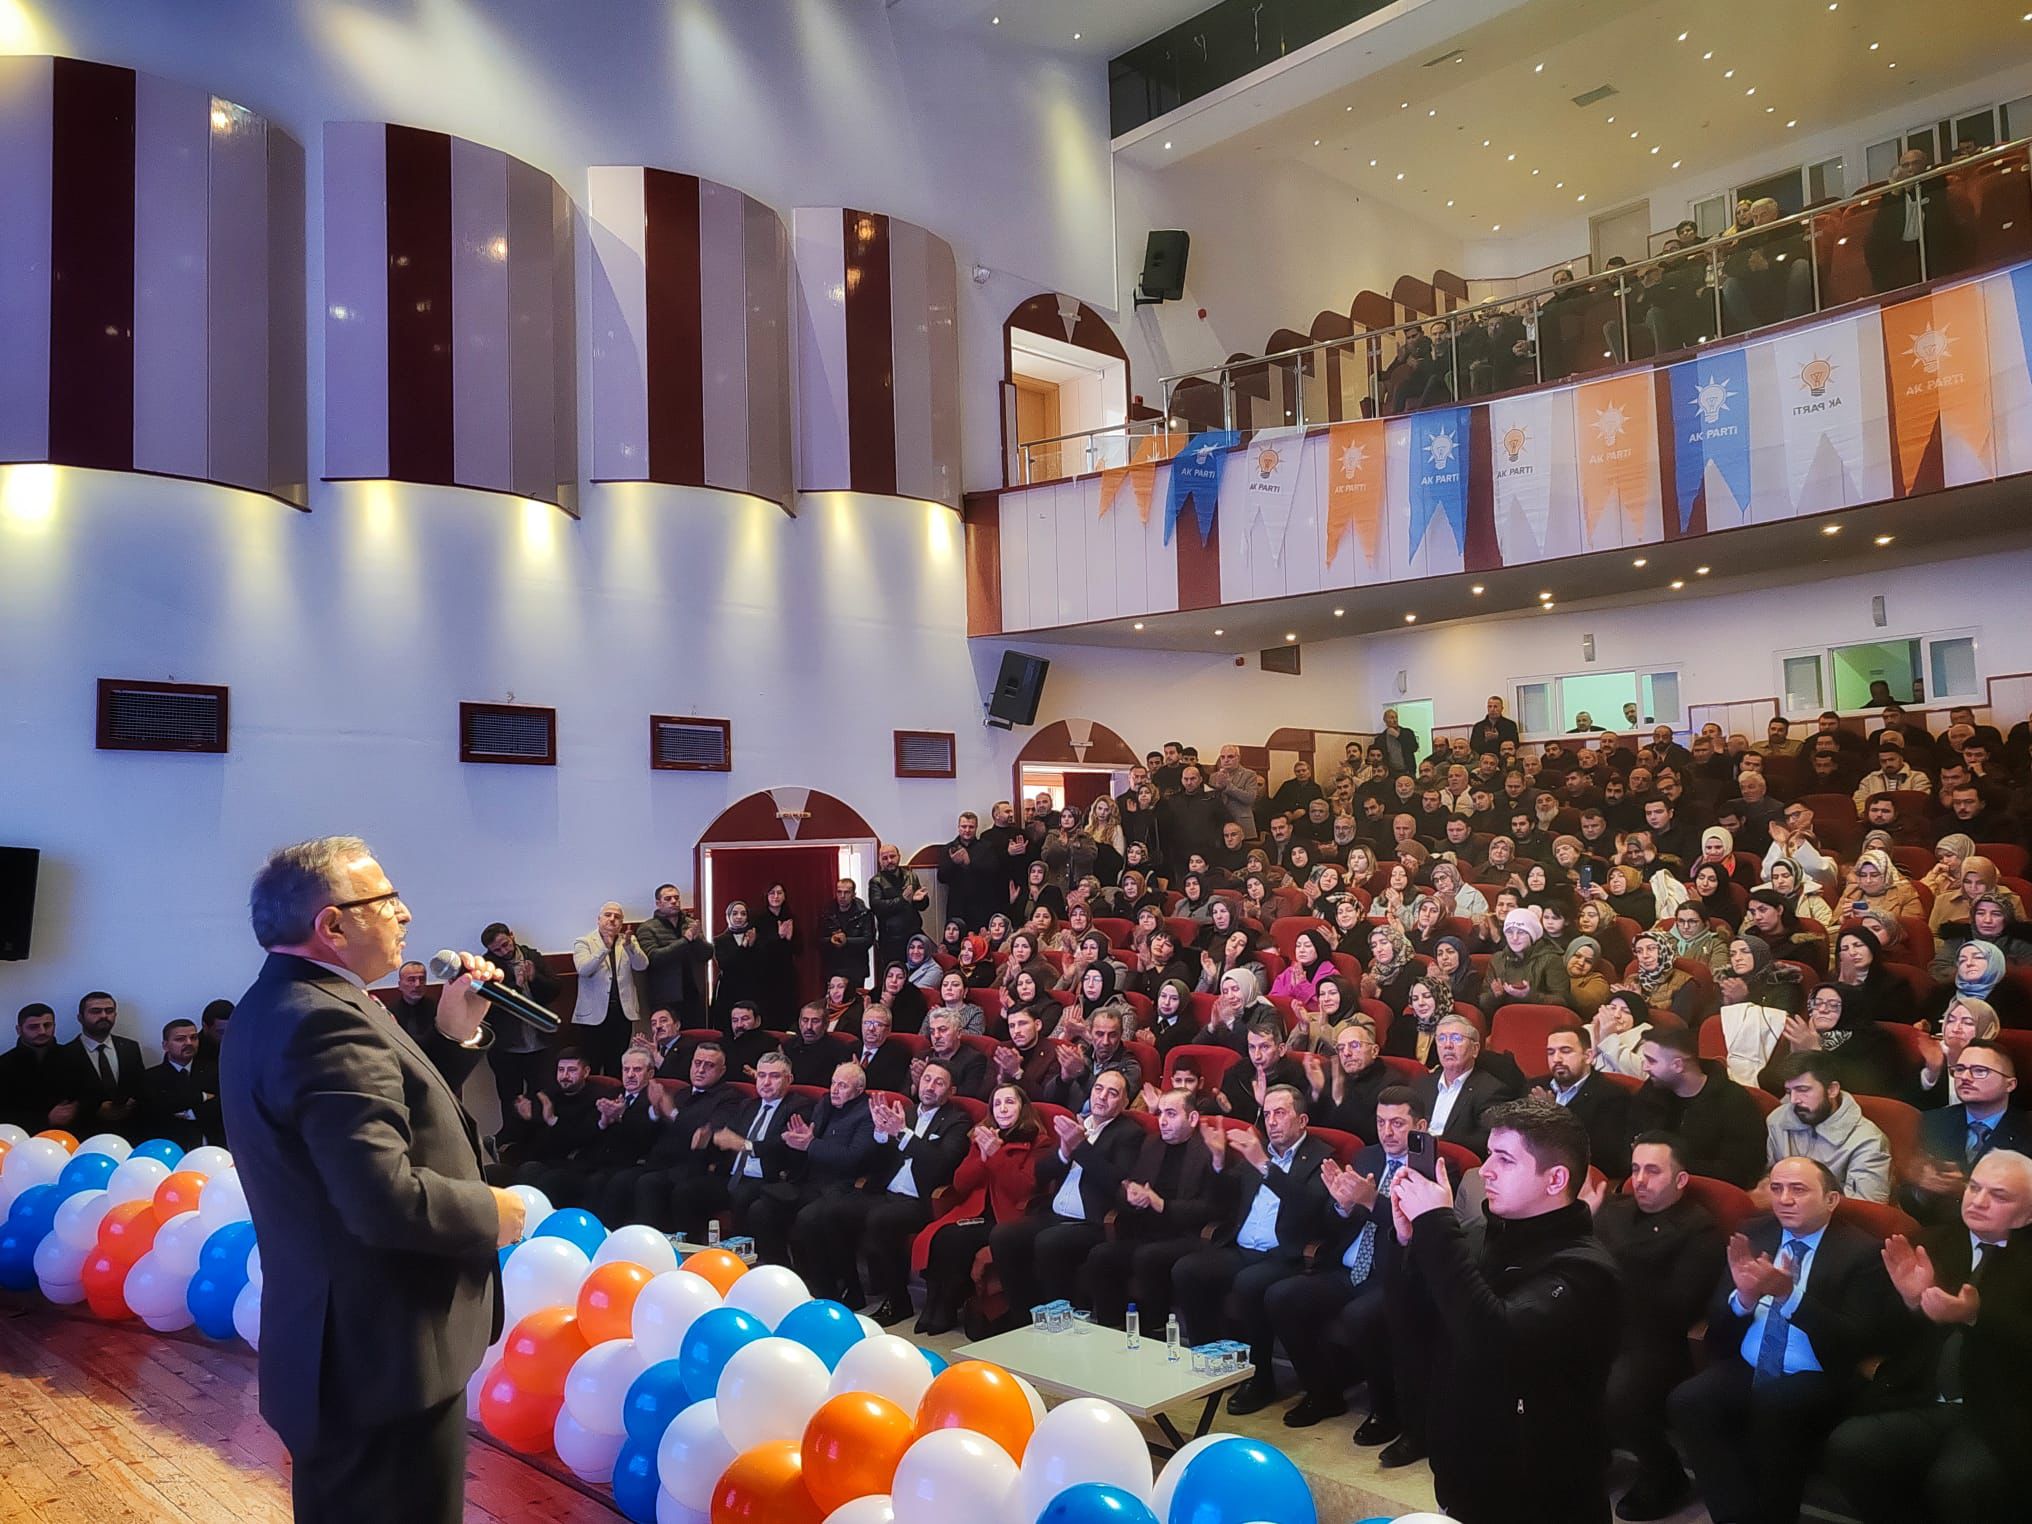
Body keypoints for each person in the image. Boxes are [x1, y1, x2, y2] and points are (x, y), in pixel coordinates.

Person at [218, 836, 525, 1524]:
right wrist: (490, 1212)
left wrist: (452, 1035)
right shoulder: (325, 1020)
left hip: (350, 1350)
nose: (405, 913)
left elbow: (382, 1119)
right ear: (332, 925)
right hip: (382, 1358)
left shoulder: (282, 1003)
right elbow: (381, 1196)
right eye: (386, 900)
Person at [1390, 1098, 1623, 1524]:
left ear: (1555, 1179)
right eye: (1488, 1155)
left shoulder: (1586, 1269)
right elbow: (1413, 1321)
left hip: (1541, 1493)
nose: (1486, 1171)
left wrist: (1436, 1229)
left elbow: (1495, 1341)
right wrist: (1411, 1244)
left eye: (1505, 1159)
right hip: (1462, 1470)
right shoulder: (1476, 1234)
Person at [1669, 1157, 1899, 1524]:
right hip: (1750, 1361)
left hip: (1818, 1371)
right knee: (1689, 1400)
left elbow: (1855, 1340)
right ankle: (1735, 1516)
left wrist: (1790, 1297)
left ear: (1831, 1200)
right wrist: (1744, 1298)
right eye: (1776, 1189)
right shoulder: (1753, 1233)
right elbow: (1718, 1320)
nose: (1784, 1199)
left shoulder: (1862, 1253)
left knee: (1775, 1404)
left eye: (1798, 1190)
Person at [1825, 1149, 2032, 1523]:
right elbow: (1880, 1336)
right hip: (1924, 1396)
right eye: (1975, 1188)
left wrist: (1975, 1318)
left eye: (1999, 1196)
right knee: (1850, 1444)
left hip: (2000, 1409)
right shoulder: (1932, 1242)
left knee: (1958, 1481)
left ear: (2028, 1214)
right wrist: (1910, 1302)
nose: (1979, 1201)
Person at [1265, 1086, 1428, 1433]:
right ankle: (1323, 1393)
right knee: (1281, 1297)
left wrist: (1370, 1201)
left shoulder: (1434, 1168)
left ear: (1421, 1126)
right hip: (1347, 1267)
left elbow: (1420, 1232)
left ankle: (1386, 1411)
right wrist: (1341, 1206)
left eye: (1398, 1123)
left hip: (1394, 1275)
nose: (1387, 1132)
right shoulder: (1367, 1157)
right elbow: (1332, 1222)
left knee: (1360, 1316)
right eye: (1381, 1122)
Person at [1176, 1084, 1333, 1415]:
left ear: (1302, 1120)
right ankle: (1213, 1364)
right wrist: (1218, 1160)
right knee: (1188, 1270)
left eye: (1280, 1113)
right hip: (1241, 1247)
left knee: (1249, 1284)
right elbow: (1224, 1200)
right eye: (1267, 1114)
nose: (1271, 1122)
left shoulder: (1321, 1157)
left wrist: (1265, 1167)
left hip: (1286, 1254)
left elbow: (1311, 1208)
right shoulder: (1257, 1151)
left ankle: (1260, 1380)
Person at [1592, 1134, 1724, 1521]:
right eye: (1635, 1169)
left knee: (1617, 1392)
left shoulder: (1699, 1229)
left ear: (1680, 1180)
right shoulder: (1612, 1210)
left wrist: (1613, 1266)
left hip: (1655, 1338)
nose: (1639, 1181)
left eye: (1653, 1171)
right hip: (1601, 1324)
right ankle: (1586, 1457)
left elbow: (1678, 1304)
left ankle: (1664, 1473)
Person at [795, 1059, 971, 1323]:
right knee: (831, 1212)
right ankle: (852, 1289)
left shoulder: (958, 1121)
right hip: (884, 1191)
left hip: (919, 1199)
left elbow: (942, 1164)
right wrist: (880, 1133)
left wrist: (902, 1133)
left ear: (952, 1091)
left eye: (939, 1083)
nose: (930, 1087)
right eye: (927, 1079)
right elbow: (880, 1160)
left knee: (880, 1220)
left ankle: (898, 1301)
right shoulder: (906, 1112)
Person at [993, 1068, 1145, 1321]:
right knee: (1004, 1235)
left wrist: (1080, 1147)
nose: (1102, 1096)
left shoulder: (1129, 1133)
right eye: (1098, 1089)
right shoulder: (1078, 1124)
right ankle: (1024, 1315)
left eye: (1112, 1093)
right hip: (1055, 1214)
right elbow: (1041, 1173)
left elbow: (1117, 1181)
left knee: (1049, 1242)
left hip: (1093, 1221)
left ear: (1124, 1102)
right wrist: (1064, 1152)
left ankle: (1061, 1318)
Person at [909, 1082, 1043, 1335]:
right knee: (939, 1236)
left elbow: (1022, 1189)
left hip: (1007, 1217)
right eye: (997, 1104)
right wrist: (982, 1157)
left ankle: (947, 1304)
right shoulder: (981, 1135)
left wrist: (996, 1155)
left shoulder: (1037, 1140)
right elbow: (960, 1184)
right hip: (975, 1212)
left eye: (1010, 1102)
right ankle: (934, 1303)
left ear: (1023, 1107)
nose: (1003, 1109)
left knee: (954, 1239)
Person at [1080, 1088, 1220, 1328]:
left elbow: (1211, 1208)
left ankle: (1153, 1328)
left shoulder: (1208, 1150)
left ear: (1192, 1118)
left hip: (1187, 1236)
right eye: (1160, 1113)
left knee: (1148, 1256)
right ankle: (1110, 1327)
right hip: (1145, 1231)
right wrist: (1130, 1196)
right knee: (1101, 1255)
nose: (1162, 1121)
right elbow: (1128, 1186)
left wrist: (1163, 1205)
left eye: (1171, 1114)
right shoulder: (1152, 1143)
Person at [751, 1062, 878, 1274]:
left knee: (807, 1220)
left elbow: (852, 1157)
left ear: (859, 1090)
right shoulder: (824, 1104)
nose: (835, 1090)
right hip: (807, 1181)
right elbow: (807, 1144)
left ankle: (819, 1282)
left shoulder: (867, 1114)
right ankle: (782, 1272)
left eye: (843, 1086)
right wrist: (798, 1142)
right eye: (833, 1083)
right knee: (760, 1210)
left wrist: (810, 1144)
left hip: (841, 1187)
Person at [676, 1051, 808, 1245]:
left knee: (742, 1196)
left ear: (789, 1079)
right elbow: (727, 1139)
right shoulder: (748, 1105)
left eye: (774, 1076)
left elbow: (783, 1143)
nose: (766, 1082)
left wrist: (747, 1146)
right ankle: (690, 1248)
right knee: (686, 1190)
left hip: (767, 1179)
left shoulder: (799, 1107)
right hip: (732, 1175)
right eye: (761, 1075)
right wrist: (706, 1143)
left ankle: (740, 1255)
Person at [1901, 1037, 2032, 1222]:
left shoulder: (2026, 1129)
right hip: (1938, 1229)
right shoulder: (1931, 1122)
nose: (1965, 1077)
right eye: (1960, 1069)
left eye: (1979, 1071)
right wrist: (1921, 1188)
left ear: (2009, 1084)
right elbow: (1908, 1201)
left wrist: (1965, 1189)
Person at [1626, 1025, 1768, 1188]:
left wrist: (1673, 1165)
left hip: (1708, 1192)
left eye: (1652, 1061)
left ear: (1678, 1065)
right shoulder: (1652, 1091)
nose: (1645, 1067)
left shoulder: (1734, 1102)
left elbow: (1740, 1171)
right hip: (1649, 1186)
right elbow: (1630, 1144)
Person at [1765, 1052, 1894, 1202]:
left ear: (1832, 1090)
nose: (1793, 1100)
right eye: (1789, 1091)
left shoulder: (1869, 1141)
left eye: (1803, 1090)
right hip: (1782, 1209)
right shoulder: (1777, 1120)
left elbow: (1866, 1208)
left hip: (1835, 1215)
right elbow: (1769, 1176)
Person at [478, 921, 559, 1122]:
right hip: (507, 1048)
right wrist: (517, 985)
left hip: (540, 1042)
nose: (504, 951)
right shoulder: (487, 967)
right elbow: (490, 1009)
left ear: (512, 935)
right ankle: (513, 1137)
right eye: (497, 950)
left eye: (505, 944)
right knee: (510, 1099)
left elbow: (555, 990)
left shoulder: (532, 956)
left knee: (542, 1096)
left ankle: (540, 1135)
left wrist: (535, 978)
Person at [1530, 1024, 1632, 1178]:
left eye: (1566, 1051)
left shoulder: (1612, 1096)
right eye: (1551, 1052)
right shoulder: (1534, 1087)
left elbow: (1604, 1158)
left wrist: (1553, 1115)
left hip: (1579, 1179)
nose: (1556, 1059)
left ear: (1588, 1056)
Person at [1413, 1015, 1515, 1156]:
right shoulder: (1422, 1085)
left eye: (1456, 1038)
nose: (1447, 1045)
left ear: (1475, 1049)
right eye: (1441, 1038)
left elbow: (1487, 1140)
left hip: (1456, 1162)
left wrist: (1435, 1142)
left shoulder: (1491, 1091)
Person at [571, 902, 647, 1075]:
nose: (612, 919)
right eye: (608, 915)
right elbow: (583, 969)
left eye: (617, 917)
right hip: (592, 1017)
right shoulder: (584, 942)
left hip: (621, 1014)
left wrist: (630, 946)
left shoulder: (628, 941)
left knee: (616, 1066)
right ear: (598, 920)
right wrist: (604, 949)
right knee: (592, 1066)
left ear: (621, 923)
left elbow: (642, 965)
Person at [63, 990, 145, 1140]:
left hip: (129, 1134)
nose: (103, 1016)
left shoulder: (130, 1048)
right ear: (80, 1018)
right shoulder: (64, 1054)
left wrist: (132, 1102)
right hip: (85, 1135)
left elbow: (140, 1086)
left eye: (109, 1011)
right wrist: (94, 1108)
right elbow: (65, 1097)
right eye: (95, 1011)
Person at [635, 883, 712, 1028]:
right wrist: (685, 940)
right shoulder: (647, 928)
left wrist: (696, 940)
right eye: (668, 899)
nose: (674, 901)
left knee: (695, 1035)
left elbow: (707, 954)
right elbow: (653, 958)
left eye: (676, 898)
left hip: (692, 992)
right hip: (665, 997)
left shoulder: (690, 924)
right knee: (667, 1036)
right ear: (658, 903)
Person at [0, 1002, 82, 1135]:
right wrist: (45, 1119)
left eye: (47, 1025)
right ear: (19, 1030)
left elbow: (89, 1094)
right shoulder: (4, 1064)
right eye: (33, 1027)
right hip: (22, 1139)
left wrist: (77, 1108)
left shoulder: (74, 1056)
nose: (42, 1031)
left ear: (54, 1026)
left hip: (71, 1136)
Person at [141, 1018, 224, 1150]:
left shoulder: (216, 1071)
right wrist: (202, 1097)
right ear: (165, 1045)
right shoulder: (151, 1077)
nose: (189, 1043)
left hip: (214, 1147)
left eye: (194, 1038)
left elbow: (222, 1106)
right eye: (180, 1039)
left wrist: (190, 1112)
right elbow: (160, 1111)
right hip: (169, 1148)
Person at [707, 901, 771, 1030]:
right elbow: (726, 965)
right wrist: (743, 947)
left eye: (743, 914)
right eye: (735, 913)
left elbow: (762, 964)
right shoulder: (719, 940)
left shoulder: (757, 938)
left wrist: (752, 946)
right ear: (728, 916)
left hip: (753, 988)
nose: (739, 917)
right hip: (729, 990)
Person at [867, 842, 931, 972]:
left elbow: (922, 906)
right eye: (885, 858)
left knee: (917, 973)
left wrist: (921, 900)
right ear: (880, 860)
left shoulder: (911, 876)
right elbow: (877, 907)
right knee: (895, 974)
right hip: (891, 940)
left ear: (899, 857)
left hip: (913, 935)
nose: (889, 861)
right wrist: (903, 900)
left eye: (892, 856)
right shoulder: (876, 881)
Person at [818, 877, 876, 989]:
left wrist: (847, 941)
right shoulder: (827, 912)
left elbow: (868, 940)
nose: (842, 896)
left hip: (856, 968)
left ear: (854, 894)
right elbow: (818, 940)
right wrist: (830, 941)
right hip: (832, 967)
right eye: (839, 892)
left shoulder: (864, 913)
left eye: (847, 892)